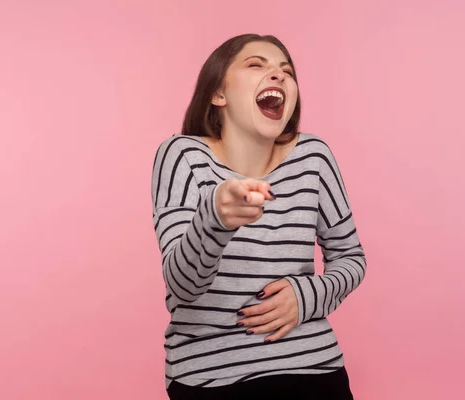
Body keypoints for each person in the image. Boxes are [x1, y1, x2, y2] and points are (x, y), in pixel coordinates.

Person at [151, 33, 367, 400]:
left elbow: (351, 258)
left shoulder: (313, 157)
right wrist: (215, 217)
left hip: (313, 366)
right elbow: (183, 286)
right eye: (256, 65)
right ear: (218, 94)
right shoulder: (181, 155)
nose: (278, 75)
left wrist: (308, 293)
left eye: (286, 70)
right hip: (209, 376)